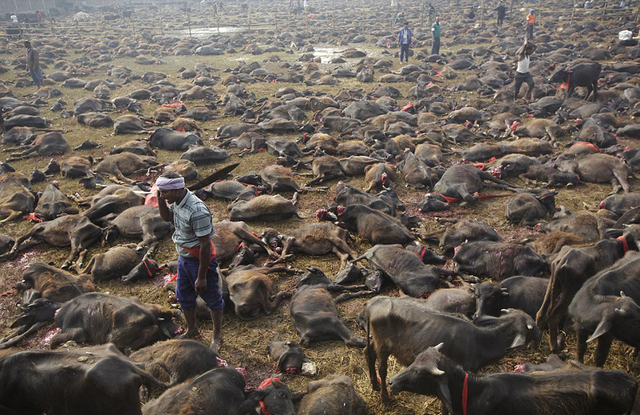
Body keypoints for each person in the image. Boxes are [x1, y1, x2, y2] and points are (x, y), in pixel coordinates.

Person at [157, 172, 224, 352]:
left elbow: (204, 246)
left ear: (177, 189)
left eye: (165, 192)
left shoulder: (197, 210)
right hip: (184, 257)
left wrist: (201, 276)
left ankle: (217, 336)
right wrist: (160, 199)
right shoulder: (177, 202)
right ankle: (192, 330)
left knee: (212, 298)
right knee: (183, 294)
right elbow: (167, 218)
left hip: (199, 259)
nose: (162, 194)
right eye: (161, 192)